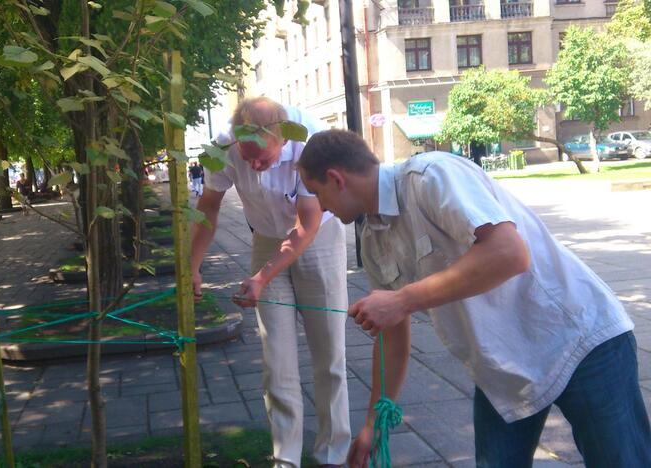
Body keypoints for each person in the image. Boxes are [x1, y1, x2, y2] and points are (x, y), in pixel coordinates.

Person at [296, 129, 651, 468]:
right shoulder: (373, 240)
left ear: (336, 179)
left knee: (621, 461)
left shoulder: (431, 175)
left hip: (578, 338)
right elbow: (391, 334)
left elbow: (509, 253)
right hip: (502, 364)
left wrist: (403, 299)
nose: (321, 208)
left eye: (317, 192)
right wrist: (375, 421)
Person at [191, 97, 350, 467]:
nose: (256, 167)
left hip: (318, 239)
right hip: (265, 238)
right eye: (247, 159)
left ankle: (333, 454)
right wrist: (193, 265)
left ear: (282, 137)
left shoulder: (310, 140)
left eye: (263, 158)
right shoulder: (224, 146)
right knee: (276, 359)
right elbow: (209, 207)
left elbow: (307, 223)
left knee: (329, 353)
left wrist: (262, 277)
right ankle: (286, 459)